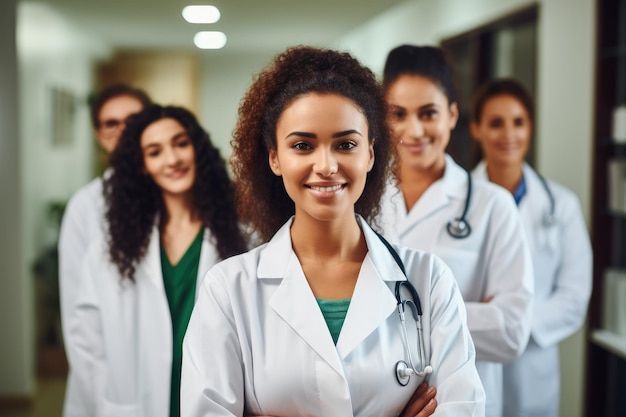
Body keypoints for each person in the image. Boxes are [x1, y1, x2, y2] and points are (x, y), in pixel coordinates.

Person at [180, 45, 485, 417]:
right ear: (274, 156)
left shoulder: (429, 281)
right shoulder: (229, 289)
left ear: (371, 154)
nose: (325, 165)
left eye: (345, 144)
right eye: (303, 145)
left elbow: (462, 409)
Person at [377, 44, 534, 417]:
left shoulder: (492, 206)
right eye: (399, 114)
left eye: (428, 113)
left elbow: (512, 332)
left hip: (457, 403)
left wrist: (393, 310)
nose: (414, 130)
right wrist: (461, 312)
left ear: (452, 115)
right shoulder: (357, 200)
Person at [63, 105, 248, 417]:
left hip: (216, 397)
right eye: (155, 151)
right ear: (142, 166)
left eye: (180, 143)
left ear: (197, 150)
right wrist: (105, 406)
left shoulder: (244, 237)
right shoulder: (109, 250)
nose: (172, 160)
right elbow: (87, 342)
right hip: (135, 402)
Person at [469, 78, 592, 417]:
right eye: (496, 123)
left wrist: (513, 320)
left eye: (518, 122)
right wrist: (492, 323)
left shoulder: (561, 206)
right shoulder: (457, 203)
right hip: (472, 357)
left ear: (531, 128)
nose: (508, 134)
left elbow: (574, 297)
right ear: (476, 129)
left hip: (534, 361)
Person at [58, 83, 152, 416]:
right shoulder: (85, 208)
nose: (124, 130)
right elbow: (78, 317)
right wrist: (102, 400)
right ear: (99, 135)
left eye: (134, 119)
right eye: (111, 123)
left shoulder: (184, 198)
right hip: (110, 384)